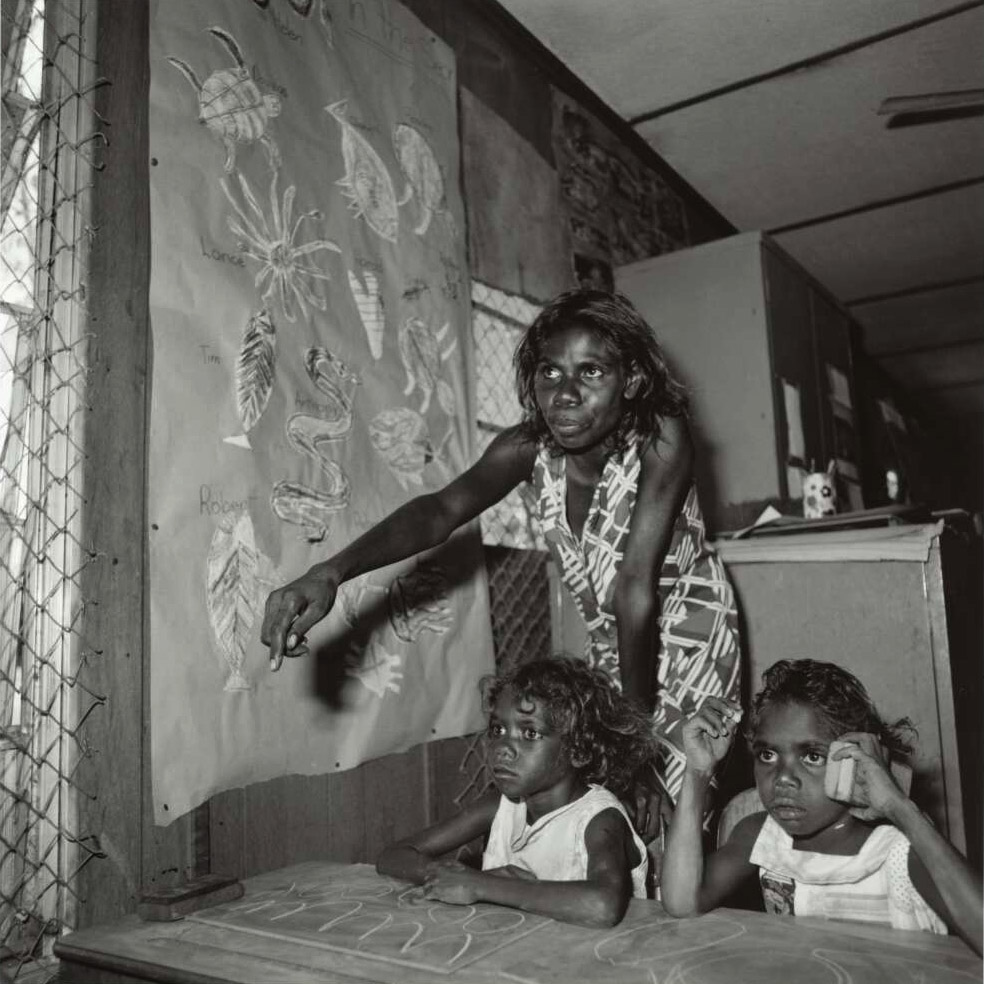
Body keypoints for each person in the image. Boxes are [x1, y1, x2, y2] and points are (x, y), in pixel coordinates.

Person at [260, 288, 742, 829]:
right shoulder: (528, 449)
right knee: (614, 811)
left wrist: (640, 749)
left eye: (591, 373)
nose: (564, 394)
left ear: (629, 381)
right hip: (616, 641)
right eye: (549, 373)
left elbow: (635, 589)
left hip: (689, 632)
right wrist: (329, 572)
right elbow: (441, 511)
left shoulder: (660, 438)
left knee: (675, 811)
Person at [661, 659, 983, 957]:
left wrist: (898, 806)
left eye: (812, 756)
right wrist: (698, 772)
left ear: (854, 761)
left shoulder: (896, 852)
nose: (783, 779)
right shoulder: (762, 837)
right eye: (768, 755)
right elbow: (682, 902)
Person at [376, 655, 653, 927]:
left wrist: (483, 886)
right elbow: (394, 855)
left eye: (530, 734)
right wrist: (449, 876)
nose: (502, 749)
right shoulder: (500, 806)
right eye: (497, 729)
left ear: (578, 750)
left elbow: (602, 906)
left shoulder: (598, 820)